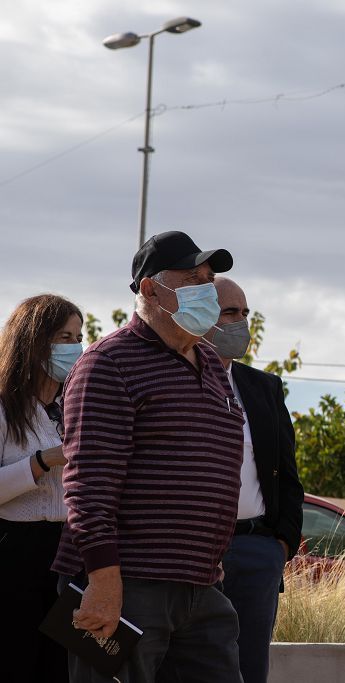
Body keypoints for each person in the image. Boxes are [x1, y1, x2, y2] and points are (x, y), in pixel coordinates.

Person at [51, 230, 246, 683]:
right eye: (193, 278)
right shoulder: (107, 363)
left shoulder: (212, 367)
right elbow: (88, 482)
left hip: (201, 587)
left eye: (209, 278)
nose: (207, 289)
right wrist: (102, 581)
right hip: (123, 585)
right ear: (150, 288)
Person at [203, 276, 303, 683]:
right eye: (231, 313)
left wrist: (280, 544)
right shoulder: (176, 379)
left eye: (244, 313)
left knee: (249, 670)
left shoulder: (263, 387)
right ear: (203, 318)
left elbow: (288, 471)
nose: (240, 323)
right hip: (195, 553)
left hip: (257, 552)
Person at [0, 294, 83, 683]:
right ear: (32, 341)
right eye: (64, 337)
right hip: (14, 552)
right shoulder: (4, 407)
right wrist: (42, 460)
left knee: (62, 668)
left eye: (78, 336)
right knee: (17, 661)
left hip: (70, 552)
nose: (75, 347)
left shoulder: (77, 406)